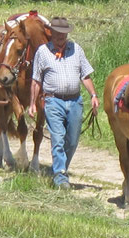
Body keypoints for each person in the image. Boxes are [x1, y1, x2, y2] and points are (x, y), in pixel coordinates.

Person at [28, 17, 99, 190]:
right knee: (57, 138)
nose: (61, 36)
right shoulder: (42, 52)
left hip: (75, 101)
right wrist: (32, 104)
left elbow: (85, 75)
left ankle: (61, 170)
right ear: (51, 32)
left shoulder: (76, 49)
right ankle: (60, 175)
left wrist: (93, 95)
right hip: (53, 100)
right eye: (58, 33)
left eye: (64, 33)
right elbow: (36, 80)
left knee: (72, 141)